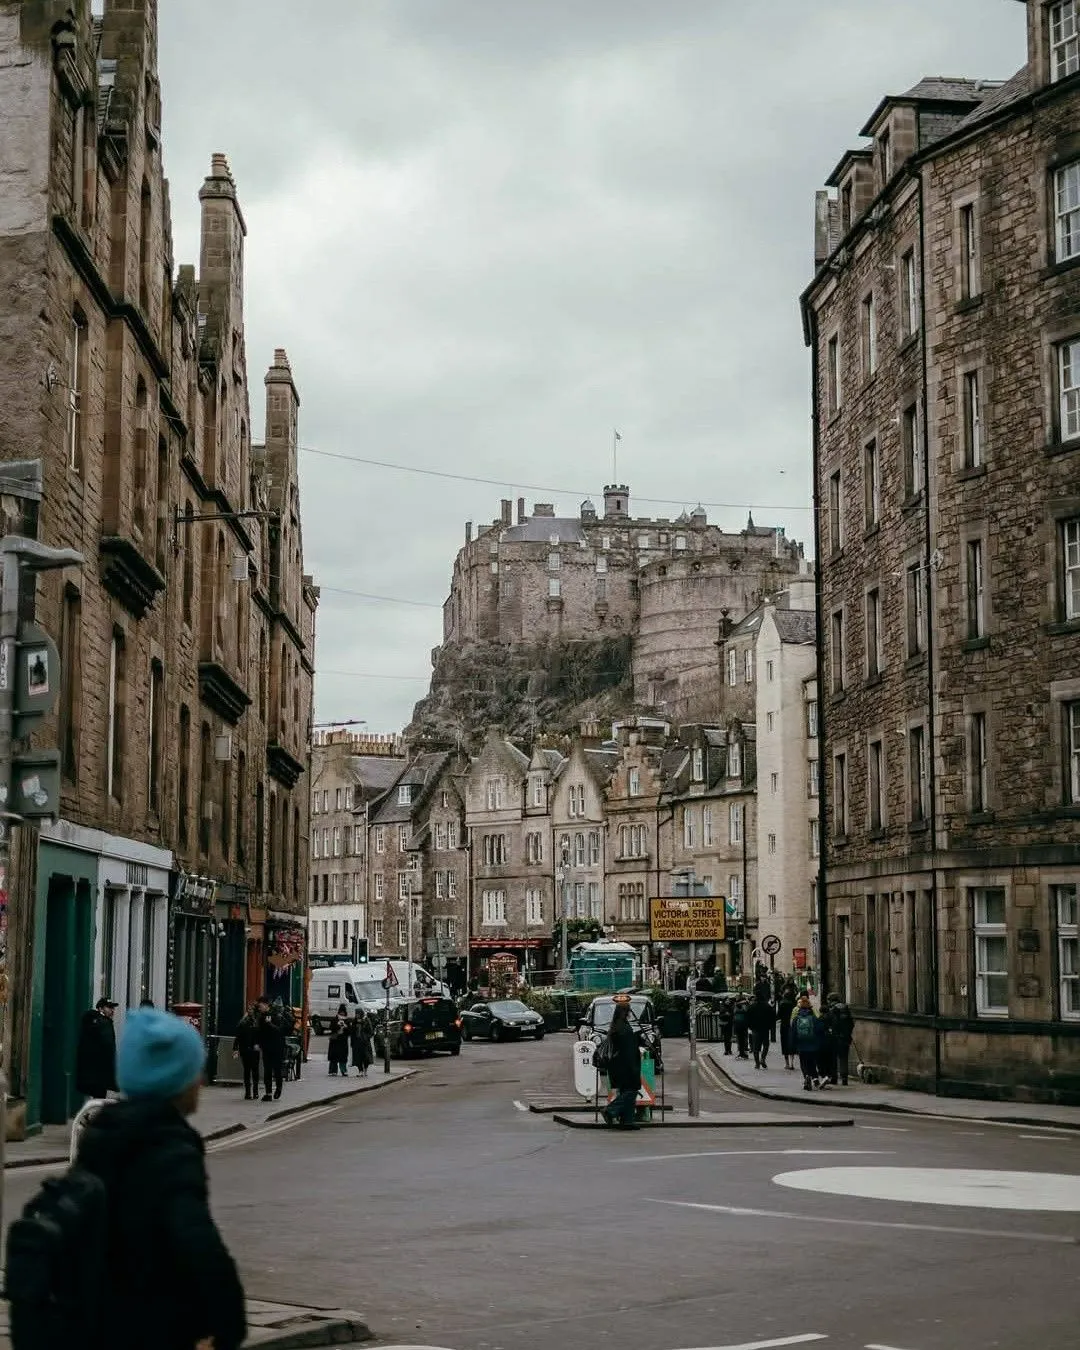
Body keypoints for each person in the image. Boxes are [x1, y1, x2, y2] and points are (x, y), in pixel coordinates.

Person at [75, 1008, 247, 1350]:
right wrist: (229, 1325)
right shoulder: (169, 1150)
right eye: (193, 1071)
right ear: (177, 1082)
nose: (200, 1081)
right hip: (152, 1326)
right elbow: (198, 1243)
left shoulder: (100, 1138)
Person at [601, 999, 642, 1130]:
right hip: (626, 1066)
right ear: (626, 1012)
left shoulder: (617, 1025)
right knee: (631, 1091)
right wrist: (634, 1068)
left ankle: (627, 1121)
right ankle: (610, 1110)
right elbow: (628, 1051)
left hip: (617, 1066)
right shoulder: (623, 1028)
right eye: (629, 1010)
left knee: (626, 1090)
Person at [75, 997, 118, 1100]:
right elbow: (108, 1046)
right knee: (99, 1098)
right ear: (100, 1009)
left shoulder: (92, 1021)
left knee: (96, 1097)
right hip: (100, 1071)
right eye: (109, 1007)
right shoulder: (104, 1023)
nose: (112, 1010)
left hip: (90, 1070)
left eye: (113, 1008)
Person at [254, 996, 287, 1102]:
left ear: (266, 1004)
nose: (259, 1008)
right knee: (267, 1070)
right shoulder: (261, 1017)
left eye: (260, 1006)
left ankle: (278, 1088)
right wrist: (258, 1043)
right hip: (266, 1047)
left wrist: (270, 1024)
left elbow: (280, 1030)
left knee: (277, 1069)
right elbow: (259, 1032)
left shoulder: (276, 1014)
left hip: (277, 1047)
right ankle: (268, 1093)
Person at [790, 991, 824, 1091]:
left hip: (801, 1044)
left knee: (803, 1063)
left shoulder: (797, 1019)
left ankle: (807, 1077)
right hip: (813, 1044)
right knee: (812, 1062)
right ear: (809, 1007)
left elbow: (793, 1033)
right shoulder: (813, 1018)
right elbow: (820, 1030)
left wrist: (793, 1045)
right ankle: (814, 1078)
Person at [825, 992, 856, 1086]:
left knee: (833, 1058)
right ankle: (844, 1078)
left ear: (830, 1000)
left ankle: (834, 1078)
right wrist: (848, 1033)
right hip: (845, 1037)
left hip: (835, 1037)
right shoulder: (846, 1008)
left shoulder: (832, 1009)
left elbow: (830, 1023)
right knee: (844, 1058)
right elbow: (851, 1023)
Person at [233, 1003, 262, 1100]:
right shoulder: (243, 1023)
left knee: (255, 1071)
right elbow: (238, 1037)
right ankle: (248, 1092)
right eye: (248, 1009)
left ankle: (255, 1092)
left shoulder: (257, 1022)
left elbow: (260, 1036)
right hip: (245, 1049)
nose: (250, 1011)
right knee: (247, 1071)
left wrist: (259, 1044)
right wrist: (235, 1049)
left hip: (254, 1050)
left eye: (251, 1009)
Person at [748, 988, 774, 1069]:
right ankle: (763, 1058)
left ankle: (757, 1063)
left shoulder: (752, 1007)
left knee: (756, 1047)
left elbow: (748, 1017)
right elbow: (773, 1018)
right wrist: (770, 1027)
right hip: (765, 1029)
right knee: (766, 1045)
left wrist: (751, 1027)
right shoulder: (767, 1006)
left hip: (755, 1029)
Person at [778, 982, 798, 1070]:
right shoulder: (794, 1004)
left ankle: (786, 1063)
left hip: (784, 1025)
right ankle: (792, 1063)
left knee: (785, 1044)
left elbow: (778, 1015)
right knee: (792, 1043)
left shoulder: (782, 1003)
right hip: (792, 1025)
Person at [327, 1003, 351, 1076]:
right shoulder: (334, 1020)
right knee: (334, 1056)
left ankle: (343, 1070)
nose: (342, 1014)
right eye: (341, 1012)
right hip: (335, 1040)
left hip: (343, 1041)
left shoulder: (347, 1021)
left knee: (343, 1057)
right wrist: (337, 1026)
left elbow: (349, 1032)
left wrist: (345, 1027)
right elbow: (331, 1028)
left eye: (343, 1012)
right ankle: (333, 1071)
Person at [351, 1008, 374, 1077]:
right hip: (357, 1042)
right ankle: (360, 1070)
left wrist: (366, 1037)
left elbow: (371, 1032)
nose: (357, 1015)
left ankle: (365, 1070)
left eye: (358, 1014)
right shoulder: (354, 1021)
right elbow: (352, 1032)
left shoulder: (366, 1020)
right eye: (356, 1014)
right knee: (358, 1057)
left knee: (366, 1057)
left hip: (365, 1042)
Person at [733, 995, 751, 1059]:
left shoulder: (744, 1006)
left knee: (743, 1040)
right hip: (739, 1025)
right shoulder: (738, 1006)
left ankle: (743, 1054)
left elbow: (746, 1011)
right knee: (741, 1040)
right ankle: (742, 1053)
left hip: (742, 1025)